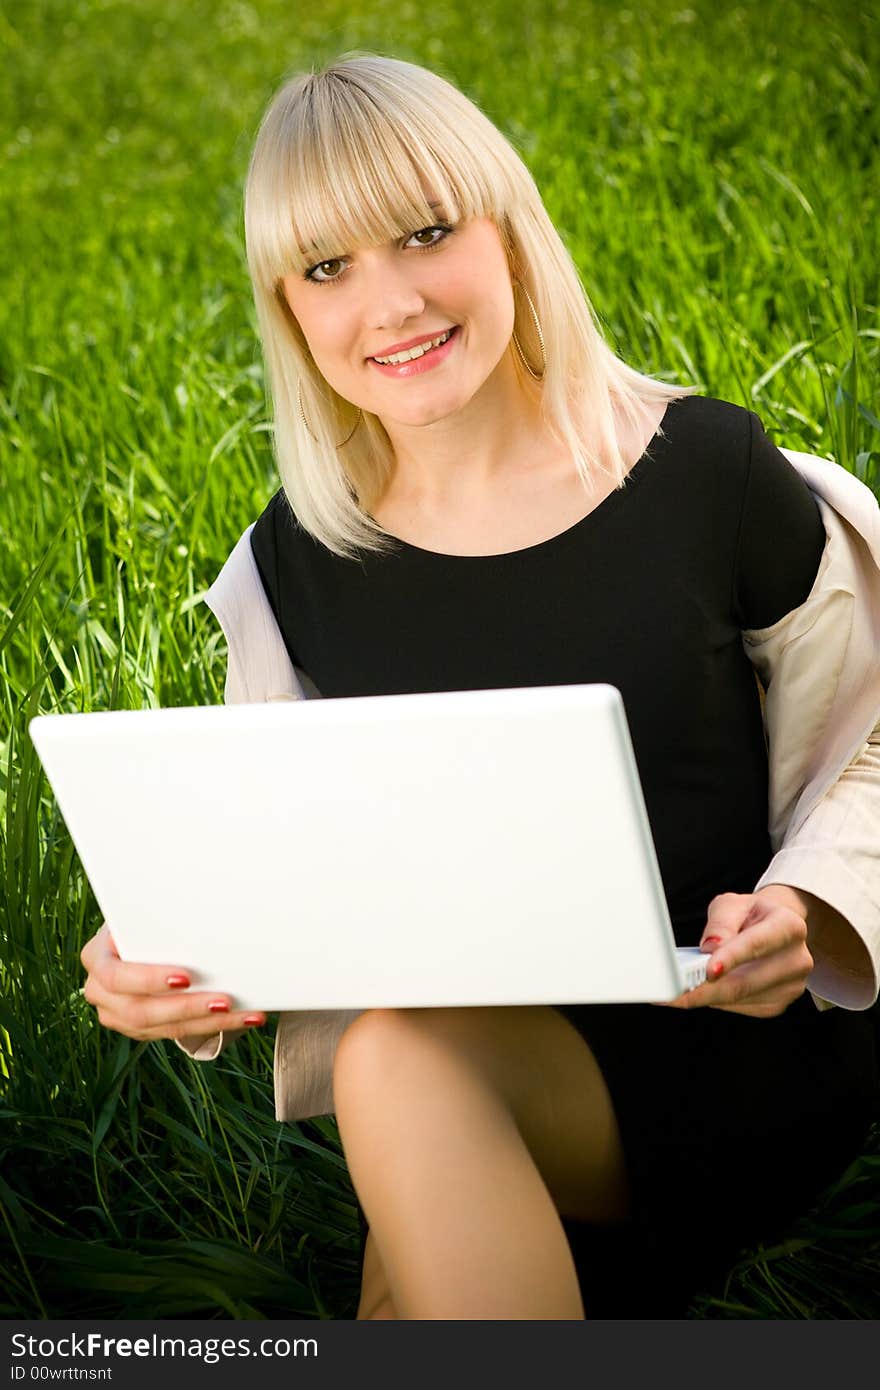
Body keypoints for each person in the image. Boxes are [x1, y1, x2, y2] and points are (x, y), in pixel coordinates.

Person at [79, 53, 880, 1320]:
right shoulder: (301, 560)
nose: (387, 302)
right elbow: (284, 861)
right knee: (400, 1060)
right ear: (286, 306)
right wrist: (167, 954)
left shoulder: (704, 475)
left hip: (731, 1033)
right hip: (475, 1053)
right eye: (327, 267)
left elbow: (873, 739)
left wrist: (805, 910)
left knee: (396, 1082)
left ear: (506, 227)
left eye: (426, 232)